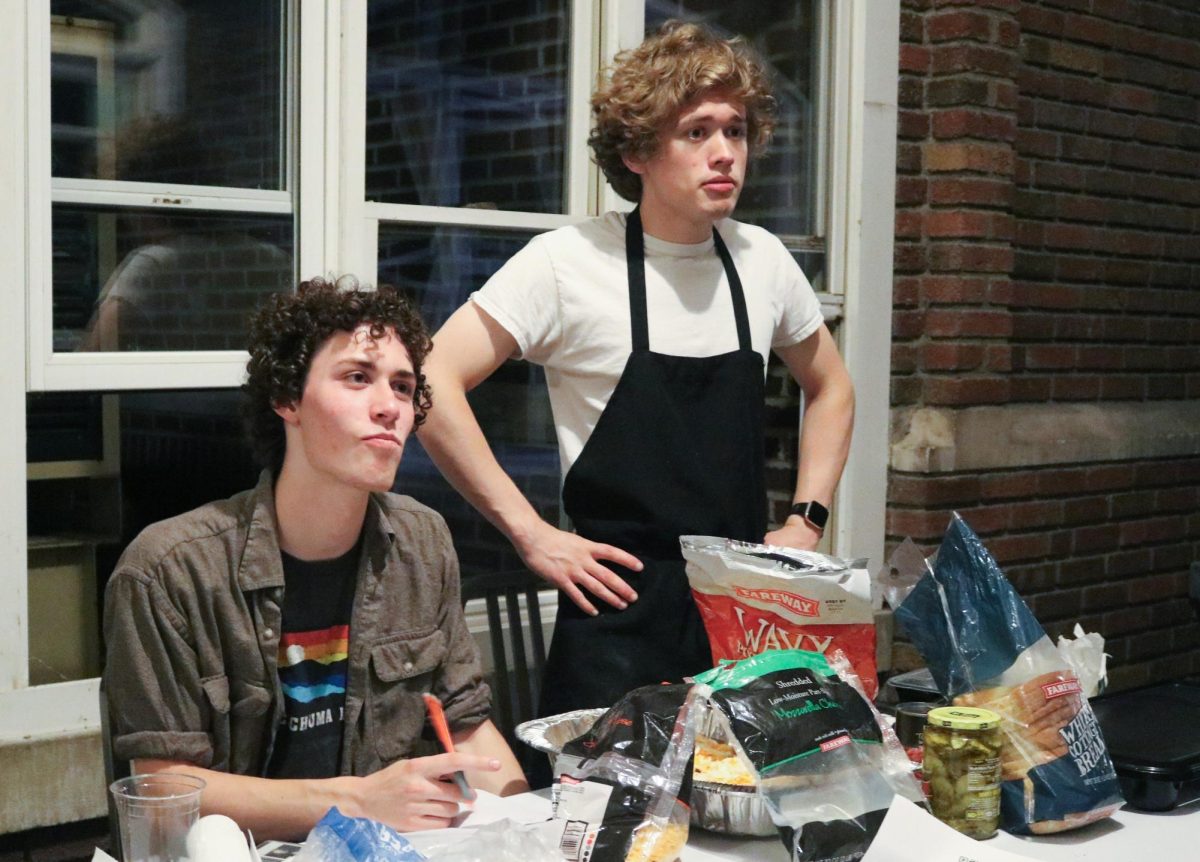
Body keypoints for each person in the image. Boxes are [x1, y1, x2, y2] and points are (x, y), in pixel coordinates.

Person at [418, 21, 855, 718]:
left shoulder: (762, 261)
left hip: (745, 616)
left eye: (736, 132)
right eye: (697, 133)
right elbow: (430, 381)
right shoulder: (568, 264)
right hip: (615, 621)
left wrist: (806, 518)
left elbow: (831, 387)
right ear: (638, 150)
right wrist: (531, 533)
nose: (724, 154)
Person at [102, 278, 528, 840]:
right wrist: (358, 801)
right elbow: (161, 785)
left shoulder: (422, 541)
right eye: (357, 377)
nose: (388, 408)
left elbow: (466, 726)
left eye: (403, 388)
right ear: (287, 399)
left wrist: (533, 823)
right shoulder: (170, 568)